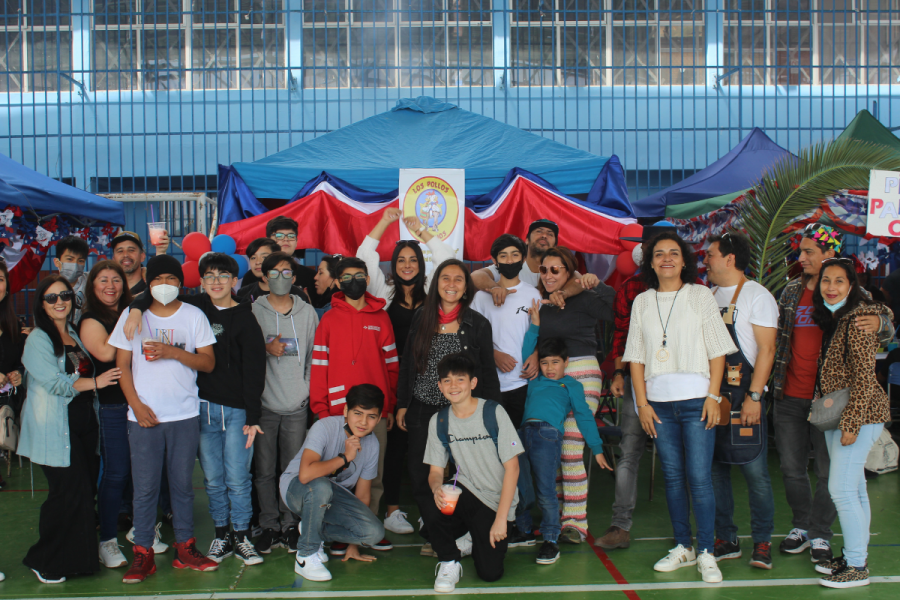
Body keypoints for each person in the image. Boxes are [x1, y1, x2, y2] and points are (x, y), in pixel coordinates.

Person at [122, 253, 267, 565]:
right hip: (202, 409)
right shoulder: (195, 306)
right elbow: (158, 288)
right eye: (210, 276)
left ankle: (242, 535)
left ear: (234, 281)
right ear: (200, 282)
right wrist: (134, 309)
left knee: (238, 477)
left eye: (223, 276)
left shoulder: (246, 317)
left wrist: (253, 416)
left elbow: (256, 371)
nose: (216, 281)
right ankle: (221, 535)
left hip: (237, 412)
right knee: (213, 479)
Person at [771, 225, 893, 563]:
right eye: (801, 250)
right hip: (790, 395)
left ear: (829, 254)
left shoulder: (851, 295)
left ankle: (821, 533)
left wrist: (882, 322)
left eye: (809, 251)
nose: (802, 257)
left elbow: (882, 324)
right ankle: (801, 526)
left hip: (831, 400)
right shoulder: (792, 291)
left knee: (829, 473)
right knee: (792, 467)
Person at [623, 231, 737, 584]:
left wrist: (713, 396)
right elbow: (637, 359)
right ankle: (683, 546)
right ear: (651, 262)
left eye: (674, 253)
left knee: (700, 478)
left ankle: (706, 551)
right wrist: (641, 403)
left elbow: (718, 351)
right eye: (659, 254)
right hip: (658, 404)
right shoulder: (642, 302)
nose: (667, 259)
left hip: (697, 401)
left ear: (685, 260)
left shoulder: (700, 295)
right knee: (673, 477)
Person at [109, 255, 219, 583]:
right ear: (148, 281)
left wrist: (172, 352)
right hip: (143, 417)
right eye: (159, 280)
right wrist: (136, 406)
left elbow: (208, 363)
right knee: (144, 488)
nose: (165, 285)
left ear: (180, 283)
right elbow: (122, 367)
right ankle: (143, 552)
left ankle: (185, 547)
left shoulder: (193, 315)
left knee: (183, 486)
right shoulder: (133, 318)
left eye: (172, 279)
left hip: (184, 414)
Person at [356, 206, 455, 535]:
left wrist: (423, 232)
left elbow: (446, 258)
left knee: (433, 447)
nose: (407, 265)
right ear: (393, 266)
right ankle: (394, 510)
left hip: (428, 383)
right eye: (401, 260)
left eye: (413, 259)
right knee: (396, 448)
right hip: (392, 382)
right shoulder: (383, 294)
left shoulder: (432, 293)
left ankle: (430, 508)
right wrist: (385, 222)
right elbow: (364, 256)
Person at [18, 275, 122, 583]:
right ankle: (45, 560)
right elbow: (54, 383)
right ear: (42, 304)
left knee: (83, 491)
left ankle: (79, 559)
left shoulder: (75, 334)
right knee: (66, 493)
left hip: (84, 427)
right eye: (51, 298)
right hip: (55, 430)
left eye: (64, 295)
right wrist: (96, 382)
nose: (60, 301)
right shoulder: (38, 339)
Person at [396, 259, 500, 557]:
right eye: (445, 278)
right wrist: (403, 404)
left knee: (462, 476)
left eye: (458, 279)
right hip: (423, 410)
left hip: (462, 414)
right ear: (436, 283)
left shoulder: (477, 324)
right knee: (422, 476)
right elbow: (407, 364)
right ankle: (436, 535)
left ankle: (458, 534)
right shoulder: (421, 318)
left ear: (466, 287)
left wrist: (493, 414)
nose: (451, 284)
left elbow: (488, 373)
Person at [810, 258, 892, 588]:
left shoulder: (858, 318)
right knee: (855, 489)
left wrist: (852, 424)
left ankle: (857, 566)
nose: (831, 287)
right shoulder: (837, 318)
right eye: (826, 280)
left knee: (841, 490)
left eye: (839, 281)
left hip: (859, 415)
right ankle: (853, 555)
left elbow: (863, 377)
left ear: (852, 286)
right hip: (846, 415)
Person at [310, 256, 398, 554]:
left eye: (359, 276)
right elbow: (319, 365)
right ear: (338, 282)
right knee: (337, 474)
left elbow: (392, 367)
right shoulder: (329, 319)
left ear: (367, 278)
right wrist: (321, 408)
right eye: (346, 277)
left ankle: (368, 526)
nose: (353, 282)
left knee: (374, 473)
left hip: (375, 413)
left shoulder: (381, 317)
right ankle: (340, 529)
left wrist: (389, 407)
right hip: (337, 412)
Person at [595, 221, 673, 551]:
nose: (662, 256)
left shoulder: (692, 289)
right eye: (654, 248)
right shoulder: (631, 288)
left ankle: (684, 530)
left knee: (677, 457)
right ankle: (620, 526)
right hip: (635, 382)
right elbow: (621, 338)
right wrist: (617, 374)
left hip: (677, 386)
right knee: (629, 454)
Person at [703, 233, 778, 570]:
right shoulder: (707, 296)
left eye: (710, 255)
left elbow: (767, 350)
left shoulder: (756, 296)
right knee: (716, 471)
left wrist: (754, 396)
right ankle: (726, 538)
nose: (705, 260)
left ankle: (762, 541)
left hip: (743, 398)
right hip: (714, 399)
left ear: (729, 259)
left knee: (755, 473)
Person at [516, 307, 612, 564]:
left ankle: (550, 538)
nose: (549, 368)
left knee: (546, 488)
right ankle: (524, 530)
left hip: (548, 435)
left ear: (566, 362)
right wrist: (535, 324)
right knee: (522, 486)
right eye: (545, 362)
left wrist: (598, 448)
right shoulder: (535, 378)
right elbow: (528, 350)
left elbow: (583, 417)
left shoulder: (571, 385)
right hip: (523, 433)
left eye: (555, 362)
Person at [533, 246, 614, 544]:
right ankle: (555, 514)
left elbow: (617, 309)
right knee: (550, 448)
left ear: (569, 273)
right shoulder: (540, 304)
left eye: (556, 270)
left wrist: (596, 283)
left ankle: (576, 522)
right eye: (544, 269)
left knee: (569, 446)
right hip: (550, 378)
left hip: (582, 373)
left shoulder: (584, 297)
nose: (549, 275)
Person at [422, 353, 522, 593]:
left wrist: (501, 518)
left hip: (497, 502)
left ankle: (469, 537)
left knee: (490, 573)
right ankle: (448, 561)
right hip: (467, 491)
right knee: (431, 509)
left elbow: (513, 468)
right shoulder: (439, 420)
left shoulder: (493, 412)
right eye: (447, 381)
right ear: (440, 386)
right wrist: (437, 488)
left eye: (460, 380)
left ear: (473, 383)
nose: (453, 386)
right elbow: (435, 472)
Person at [280, 384, 387, 582]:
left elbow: (363, 495)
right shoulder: (325, 427)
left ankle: (311, 529)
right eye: (357, 413)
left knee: (373, 533)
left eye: (371, 416)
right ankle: (305, 556)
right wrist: (345, 457)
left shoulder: (372, 444)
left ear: (379, 419)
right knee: (320, 486)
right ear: (346, 411)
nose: (363, 422)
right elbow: (305, 475)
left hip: (332, 496)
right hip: (297, 490)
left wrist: (353, 544)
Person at [251, 251, 319, 553]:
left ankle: (290, 523)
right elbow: (245, 356)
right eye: (274, 273)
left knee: (292, 470)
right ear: (264, 278)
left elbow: (313, 358)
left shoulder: (307, 314)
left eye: (287, 272)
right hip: (264, 407)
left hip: (297, 407)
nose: (281, 278)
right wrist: (265, 348)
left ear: (294, 277)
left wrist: (303, 391)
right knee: (264, 470)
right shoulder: (253, 311)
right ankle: (268, 524)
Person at [78, 261, 136, 569]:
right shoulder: (91, 319)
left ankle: (142, 532)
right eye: (103, 280)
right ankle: (107, 540)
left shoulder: (127, 313)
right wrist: (131, 316)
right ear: (92, 285)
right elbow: (105, 353)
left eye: (116, 280)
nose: (111, 285)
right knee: (116, 473)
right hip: (112, 405)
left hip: (136, 402)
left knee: (140, 472)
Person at [470, 234, 543, 430]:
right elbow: (471, 338)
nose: (510, 261)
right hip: (489, 384)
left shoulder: (533, 294)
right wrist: (493, 355)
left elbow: (541, 333)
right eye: (503, 256)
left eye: (514, 255)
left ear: (523, 259)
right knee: (491, 439)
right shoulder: (480, 298)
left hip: (523, 383)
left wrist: (536, 355)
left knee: (518, 440)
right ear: (494, 261)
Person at [470, 219, 600, 310]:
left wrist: (563, 294)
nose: (544, 235)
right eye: (539, 231)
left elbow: (577, 279)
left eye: (550, 234)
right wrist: (495, 289)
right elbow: (477, 275)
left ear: (555, 244)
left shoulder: (558, 269)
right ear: (526, 239)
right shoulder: (513, 264)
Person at [263, 216, 319, 304]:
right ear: (268, 241)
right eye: (279, 236)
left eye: (291, 236)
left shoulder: (311, 276)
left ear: (296, 241)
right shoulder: (256, 274)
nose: (286, 239)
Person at [237, 237, 310, 303]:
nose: (257, 262)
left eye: (264, 257)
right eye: (253, 258)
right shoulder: (243, 293)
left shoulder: (297, 295)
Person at [0, 259, 24, 435]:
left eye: (0, 279)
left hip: (6, 409)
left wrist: (18, 374)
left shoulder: (14, 325)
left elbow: (20, 363)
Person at [110, 230, 169, 296]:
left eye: (131, 250)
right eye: (120, 251)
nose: (125, 255)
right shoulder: (109, 290)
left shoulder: (153, 287)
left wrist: (161, 251)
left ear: (142, 256)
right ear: (114, 259)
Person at [54, 235, 90, 323]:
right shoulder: (49, 288)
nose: (75, 264)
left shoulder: (91, 281)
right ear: (57, 262)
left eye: (80, 261)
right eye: (70, 259)